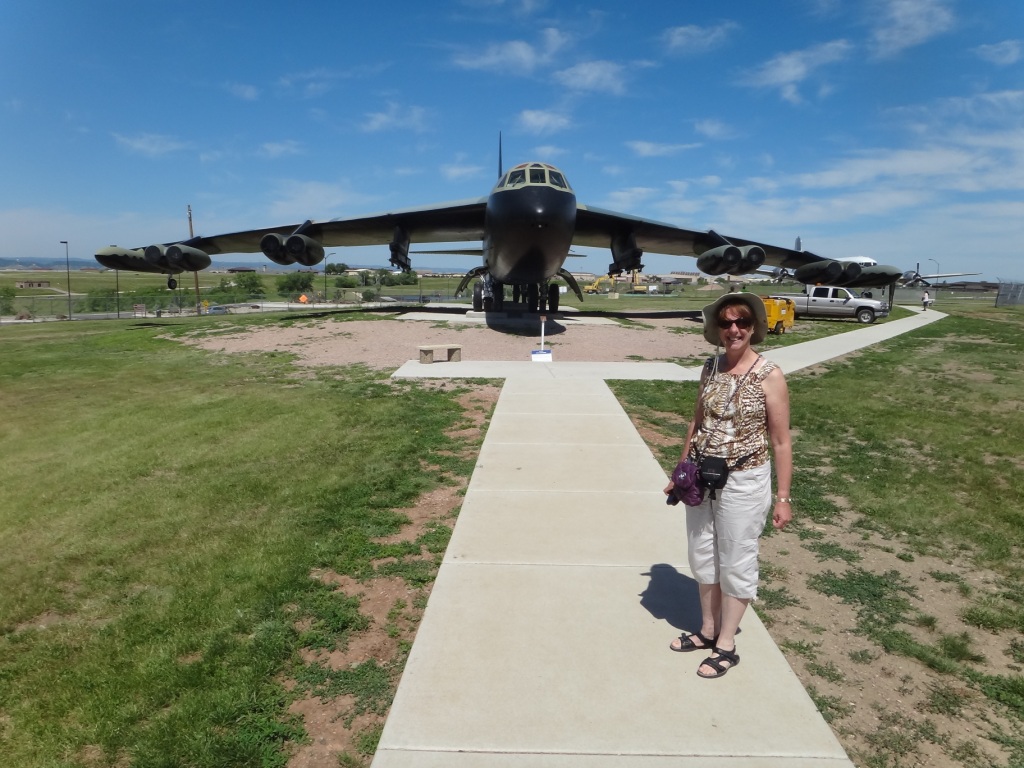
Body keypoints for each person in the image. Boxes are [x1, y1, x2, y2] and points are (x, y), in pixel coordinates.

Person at [664, 292, 793, 679]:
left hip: (744, 479)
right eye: (726, 323)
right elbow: (697, 422)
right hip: (702, 478)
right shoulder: (711, 367)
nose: (733, 329)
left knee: (736, 558)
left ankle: (726, 643)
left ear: (754, 326)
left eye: (741, 322)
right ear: (717, 329)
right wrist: (680, 468)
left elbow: (782, 441)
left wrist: (783, 498)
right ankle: (706, 630)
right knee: (702, 553)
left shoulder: (770, 374)